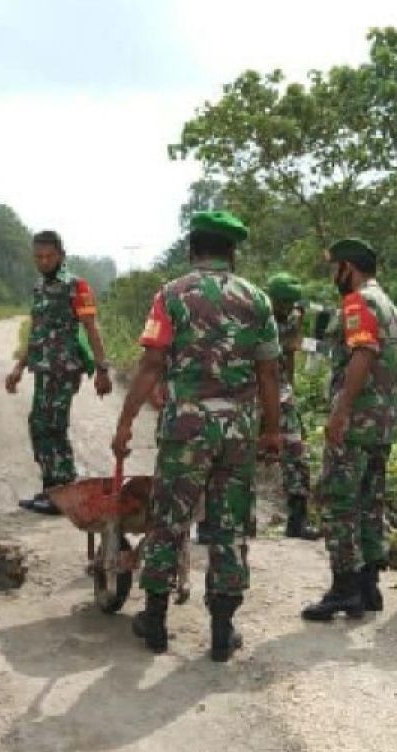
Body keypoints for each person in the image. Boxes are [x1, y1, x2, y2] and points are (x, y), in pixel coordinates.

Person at [112, 210, 281, 662]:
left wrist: (125, 423)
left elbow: (150, 366)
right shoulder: (257, 300)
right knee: (228, 526)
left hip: (186, 429)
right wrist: (273, 432)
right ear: (232, 253)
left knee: (169, 520)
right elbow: (268, 373)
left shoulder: (171, 296)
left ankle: (155, 621)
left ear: (192, 251)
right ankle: (222, 630)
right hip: (237, 432)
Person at [302, 239, 397, 621]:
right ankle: (368, 586)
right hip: (382, 423)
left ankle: (344, 588)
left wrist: (340, 413)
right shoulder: (386, 303)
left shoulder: (359, 302)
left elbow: (363, 354)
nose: (334, 277)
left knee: (340, 501)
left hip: (358, 421)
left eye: (336, 269)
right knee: (370, 502)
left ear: (349, 268)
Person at [6, 230, 112, 514]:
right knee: (39, 426)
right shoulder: (39, 287)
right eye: (38, 257)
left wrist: (102, 370)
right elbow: (36, 333)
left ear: (61, 256)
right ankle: (51, 489)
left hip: (64, 370)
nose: (43, 262)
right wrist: (18, 368)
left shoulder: (77, 286)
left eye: (48, 256)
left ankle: (62, 492)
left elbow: (91, 328)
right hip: (42, 368)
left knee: (53, 426)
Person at [265, 272, 318, 540]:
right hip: (253, 390)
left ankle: (297, 520)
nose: (285, 309)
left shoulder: (294, 316)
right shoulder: (257, 317)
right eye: (281, 303)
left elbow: (291, 353)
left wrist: (291, 389)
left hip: (282, 390)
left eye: (289, 303)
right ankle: (226, 521)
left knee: (296, 452)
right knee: (236, 455)